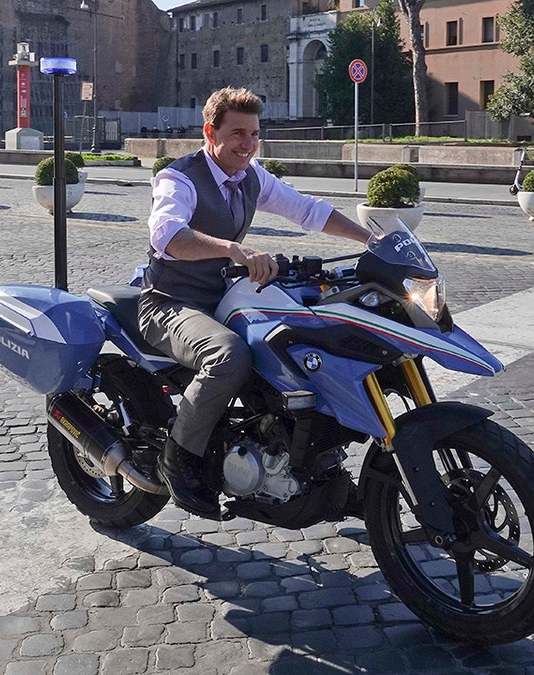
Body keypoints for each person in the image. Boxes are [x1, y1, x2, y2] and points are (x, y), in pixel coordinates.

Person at [139, 86, 372, 517]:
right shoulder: (179, 177)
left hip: (228, 299)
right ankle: (179, 460)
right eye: (237, 134)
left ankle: (317, 470)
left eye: (254, 134)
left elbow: (307, 210)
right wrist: (233, 249)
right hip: (171, 301)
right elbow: (167, 236)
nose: (248, 144)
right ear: (211, 133)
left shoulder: (250, 176)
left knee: (303, 346)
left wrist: (373, 240)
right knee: (228, 356)